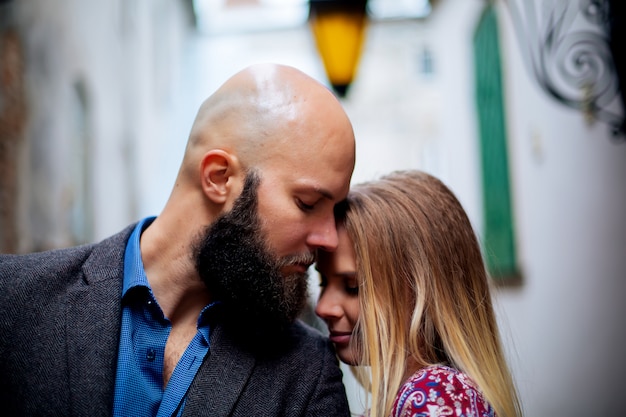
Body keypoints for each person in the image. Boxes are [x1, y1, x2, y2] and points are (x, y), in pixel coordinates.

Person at [0, 63, 356, 416]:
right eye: (308, 203)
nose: (328, 238)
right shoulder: (13, 300)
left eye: (334, 211)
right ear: (218, 178)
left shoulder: (308, 373)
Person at [315, 170, 523, 417]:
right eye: (323, 283)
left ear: (421, 291)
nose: (323, 307)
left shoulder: (437, 394)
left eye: (353, 287)